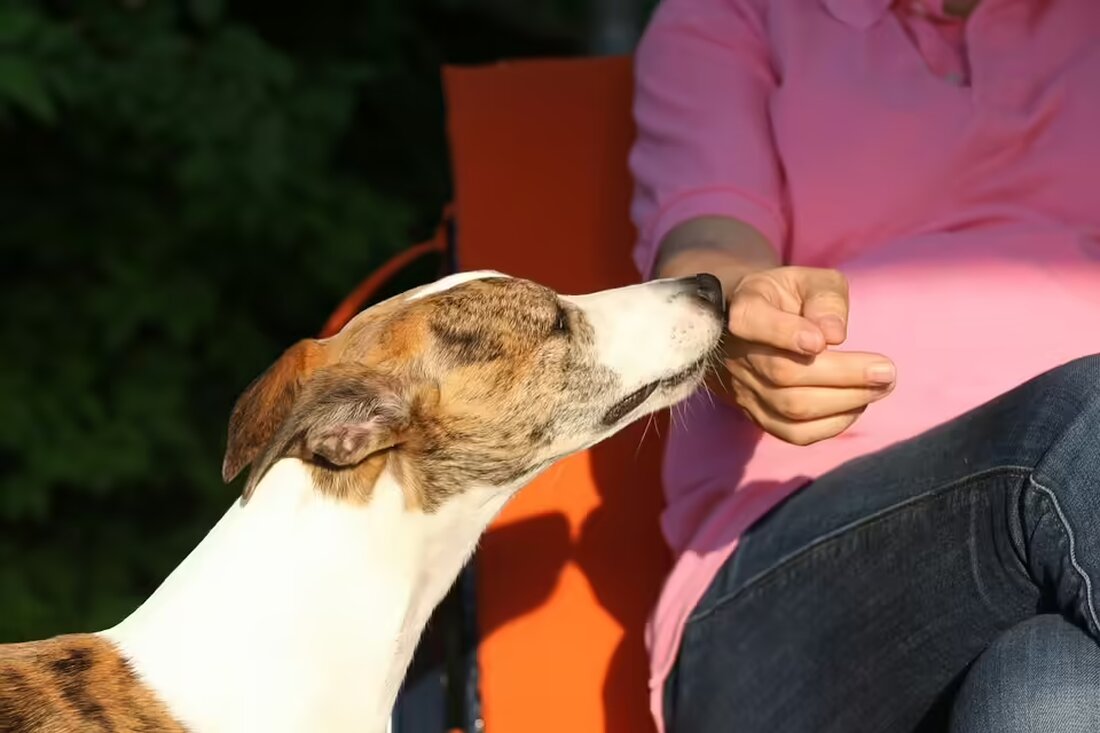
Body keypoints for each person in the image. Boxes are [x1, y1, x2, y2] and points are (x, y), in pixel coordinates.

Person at [628, 0, 1100, 731]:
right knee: (1080, 422)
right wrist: (737, 316)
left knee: (1048, 695)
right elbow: (708, 244)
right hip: (795, 585)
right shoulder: (733, 14)